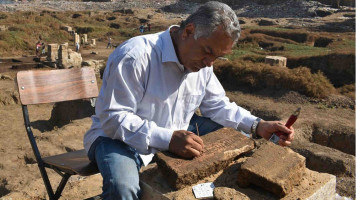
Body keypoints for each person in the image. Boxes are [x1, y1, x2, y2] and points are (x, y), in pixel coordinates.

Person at [84, 1, 294, 199]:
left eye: (217, 57)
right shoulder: (135, 56)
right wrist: (168, 139)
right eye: (208, 52)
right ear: (188, 31)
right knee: (123, 187)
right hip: (117, 139)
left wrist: (258, 125)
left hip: (178, 128)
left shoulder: (202, 64)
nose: (210, 63)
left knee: (237, 138)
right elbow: (114, 119)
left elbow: (218, 105)